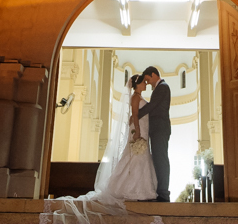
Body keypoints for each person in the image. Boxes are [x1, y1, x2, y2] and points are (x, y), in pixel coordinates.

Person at [41, 74, 156, 223]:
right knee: (134, 160)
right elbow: (134, 115)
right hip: (139, 132)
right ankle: (131, 190)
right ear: (138, 84)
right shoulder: (135, 97)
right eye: (144, 83)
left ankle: (140, 189)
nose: (146, 84)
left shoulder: (137, 97)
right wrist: (137, 133)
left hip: (143, 131)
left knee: (139, 161)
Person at [137, 66, 171, 202]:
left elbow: (152, 106)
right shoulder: (160, 87)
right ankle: (159, 191)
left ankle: (163, 193)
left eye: (148, 80)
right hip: (156, 129)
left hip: (160, 129)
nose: (148, 83)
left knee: (161, 160)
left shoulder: (163, 87)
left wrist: (136, 115)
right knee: (157, 160)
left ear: (153, 75)